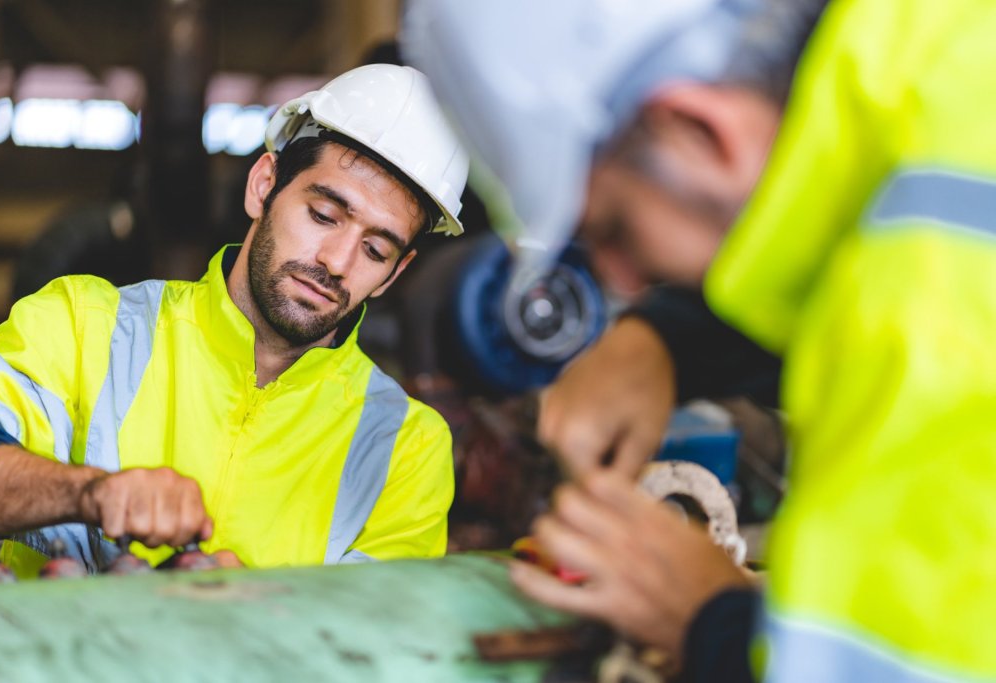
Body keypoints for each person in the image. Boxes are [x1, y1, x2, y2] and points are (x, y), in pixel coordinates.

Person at [404, 0, 996, 681]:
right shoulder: (940, 80)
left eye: (616, 231)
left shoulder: (932, 292)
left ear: (701, 130)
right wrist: (663, 338)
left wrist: (707, 618)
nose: (621, 282)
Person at [0, 63, 469, 577]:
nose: (337, 262)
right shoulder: (84, 325)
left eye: (374, 248)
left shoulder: (405, 448)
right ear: (263, 186)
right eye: (323, 215)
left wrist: (251, 615)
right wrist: (88, 492)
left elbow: (378, 642)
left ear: (395, 273)